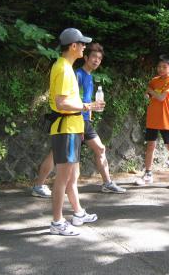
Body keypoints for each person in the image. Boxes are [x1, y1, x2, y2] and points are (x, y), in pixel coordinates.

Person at [31, 43, 126, 197]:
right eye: (93, 57)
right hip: (73, 120)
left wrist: (91, 111)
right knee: (55, 154)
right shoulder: (77, 75)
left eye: (99, 58)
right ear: (86, 57)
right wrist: (86, 110)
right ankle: (39, 186)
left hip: (83, 121)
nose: (96, 60)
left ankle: (107, 183)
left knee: (100, 148)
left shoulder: (89, 77)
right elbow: (69, 99)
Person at [48, 28, 99, 236]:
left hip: (72, 128)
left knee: (72, 176)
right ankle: (57, 222)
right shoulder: (63, 68)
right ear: (73, 46)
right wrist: (85, 106)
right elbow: (61, 102)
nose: (85, 47)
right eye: (82, 44)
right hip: (66, 128)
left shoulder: (66, 67)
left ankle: (77, 213)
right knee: (63, 178)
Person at [135, 54, 169, 191]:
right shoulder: (154, 80)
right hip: (152, 119)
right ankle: (148, 174)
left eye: (164, 67)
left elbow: (161, 97)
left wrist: (150, 91)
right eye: (159, 66)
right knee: (150, 147)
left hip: (166, 119)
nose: (161, 69)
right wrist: (148, 93)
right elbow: (148, 95)